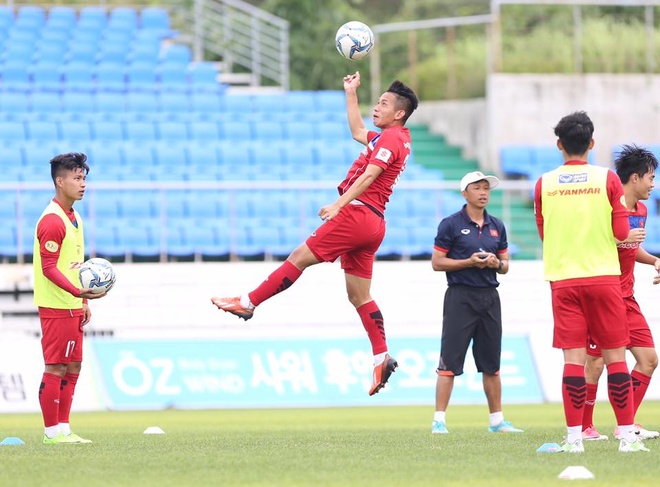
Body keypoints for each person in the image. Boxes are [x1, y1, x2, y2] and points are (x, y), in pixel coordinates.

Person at [211, 72, 419, 396]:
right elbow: (357, 131)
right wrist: (350, 92)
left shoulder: (391, 139)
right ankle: (381, 356)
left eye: (383, 103)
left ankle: (248, 302)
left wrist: (339, 204)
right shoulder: (394, 139)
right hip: (375, 223)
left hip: (357, 213)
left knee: (299, 257)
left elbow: (369, 174)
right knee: (359, 296)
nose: (376, 108)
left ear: (400, 113)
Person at [534, 111, 647, 453]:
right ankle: (626, 437)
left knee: (574, 361)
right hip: (602, 277)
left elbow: (544, 233)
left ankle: (573, 439)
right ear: (592, 144)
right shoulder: (607, 179)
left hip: (564, 280)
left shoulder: (544, 183)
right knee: (615, 359)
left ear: (559, 145)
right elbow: (619, 232)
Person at [430, 171, 523, 435]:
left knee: (491, 364)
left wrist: (497, 263)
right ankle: (439, 421)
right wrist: (468, 262)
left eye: (486, 188)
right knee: (449, 362)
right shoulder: (450, 224)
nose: (483, 192)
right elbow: (437, 263)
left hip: (490, 297)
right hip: (460, 297)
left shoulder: (497, 225)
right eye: (477, 188)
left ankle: (497, 421)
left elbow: (505, 266)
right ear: (464, 193)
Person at [581, 145, 659, 442]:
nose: (653, 184)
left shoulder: (641, 210)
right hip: (602, 295)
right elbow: (594, 246)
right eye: (651, 177)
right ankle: (586, 427)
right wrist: (622, 237)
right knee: (597, 363)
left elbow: (630, 247)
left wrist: (653, 260)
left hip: (627, 298)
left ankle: (626, 424)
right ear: (635, 178)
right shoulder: (606, 207)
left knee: (649, 359)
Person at [33, 153, 107, 444]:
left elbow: (76, 265)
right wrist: (77, 293)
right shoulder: (52, 221)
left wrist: (83, 302)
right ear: (59, 181)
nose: (83, 184)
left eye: (84, 178)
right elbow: (49, 267)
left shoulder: (74, 217)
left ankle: (64, 428)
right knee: (56, 366)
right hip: (56, 304)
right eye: (76, 178)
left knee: (73, 366)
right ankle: (51, 432)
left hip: (73, 304)